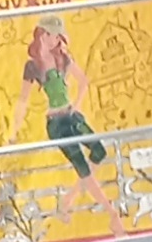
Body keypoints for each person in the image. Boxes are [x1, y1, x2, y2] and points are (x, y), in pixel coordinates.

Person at [17, 15, 107, 182]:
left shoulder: (63, 59)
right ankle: (79, 192)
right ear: (42, 35)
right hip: (56, 123)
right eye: (53, 34)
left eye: (59, 35)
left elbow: (83, 81)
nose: (56, 39)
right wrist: (15, 130)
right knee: (81, 165)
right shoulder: (33, 66)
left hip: (71, 115)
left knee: (99, 151)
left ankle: (74, 193)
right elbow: (23, 99)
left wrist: (77, 106)